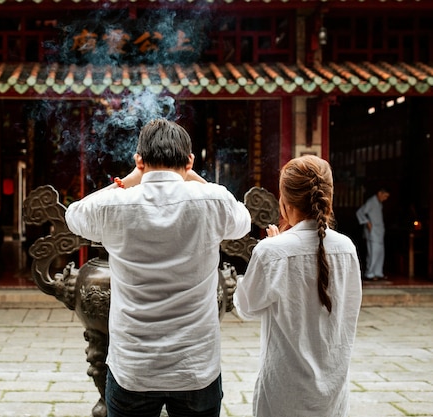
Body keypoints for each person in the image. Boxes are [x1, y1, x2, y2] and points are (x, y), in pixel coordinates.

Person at [65, 118, 251, 417]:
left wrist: (127, 181)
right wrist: (197, 179)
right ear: (189, 160)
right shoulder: (214, 200)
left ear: (139, 160)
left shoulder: (115, 204)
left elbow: (74, 216)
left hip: (134, 365)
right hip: (196, 364)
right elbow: (243, 221)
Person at [233, 155, 362, 417]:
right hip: (332, 393)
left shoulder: (271, 251)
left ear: (284, 200)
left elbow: (246, 307)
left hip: (283, 393)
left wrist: (271, 251)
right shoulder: (347, 249)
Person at [356, 188, 390, 280]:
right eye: (385, 196)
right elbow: (360, 212)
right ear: (380, 193)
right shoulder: (371, 202)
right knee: (373, 253)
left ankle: (378, 273)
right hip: (373, 232)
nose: (386, 198)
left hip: (379, 232)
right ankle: (370, 273)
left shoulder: (379, 203)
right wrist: (367, 222)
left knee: (380, 252)